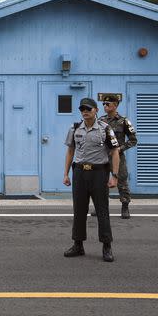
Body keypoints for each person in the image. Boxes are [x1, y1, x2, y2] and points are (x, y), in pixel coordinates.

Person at [63, 97, 120, 262]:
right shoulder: (74, 128)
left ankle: (107, 246)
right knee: (79, 210)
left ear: (96, 110)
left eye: (88, 109)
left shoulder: (105, 129)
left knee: (102, 211)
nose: (85, 112)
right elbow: (70, 152)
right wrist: (66, 174)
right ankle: (78, 245)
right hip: (80, 173)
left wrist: (114, 176)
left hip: (99, 173)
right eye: (82, 109)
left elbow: (115, 152)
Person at [99, 93, 138, 219]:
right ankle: (100, 207)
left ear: (115, 105)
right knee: (100, 182)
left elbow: (133, 140)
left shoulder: (124, 121)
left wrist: (119, 149)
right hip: (103, 156)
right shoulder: (101, 120)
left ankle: (125, 206)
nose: (105, 106)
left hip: (118, 157)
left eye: (107, 104)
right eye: (103, 104)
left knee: (121, 181)